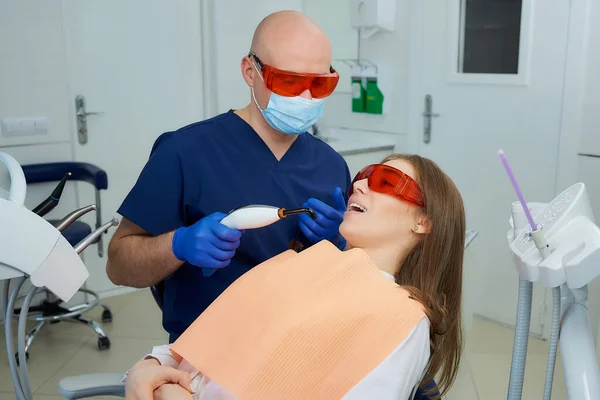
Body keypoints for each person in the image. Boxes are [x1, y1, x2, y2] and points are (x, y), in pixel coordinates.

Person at [124, 154, 466, 400]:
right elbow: (207, 343)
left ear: (423, 222)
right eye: (364, 174)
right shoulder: (298, 263)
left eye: (386, 181)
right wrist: (151, 364)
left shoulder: (402, 318)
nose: (359, 184)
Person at [106, 10, 351, 343]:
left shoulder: (332, 165)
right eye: (290, 82)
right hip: (207, 353)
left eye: (320, 84)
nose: (306, 97)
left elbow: (349, 278)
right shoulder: (184, 152)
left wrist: (339, 244)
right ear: (250, 72)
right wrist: (177, 245)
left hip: (299, 345)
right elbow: (119, 266)